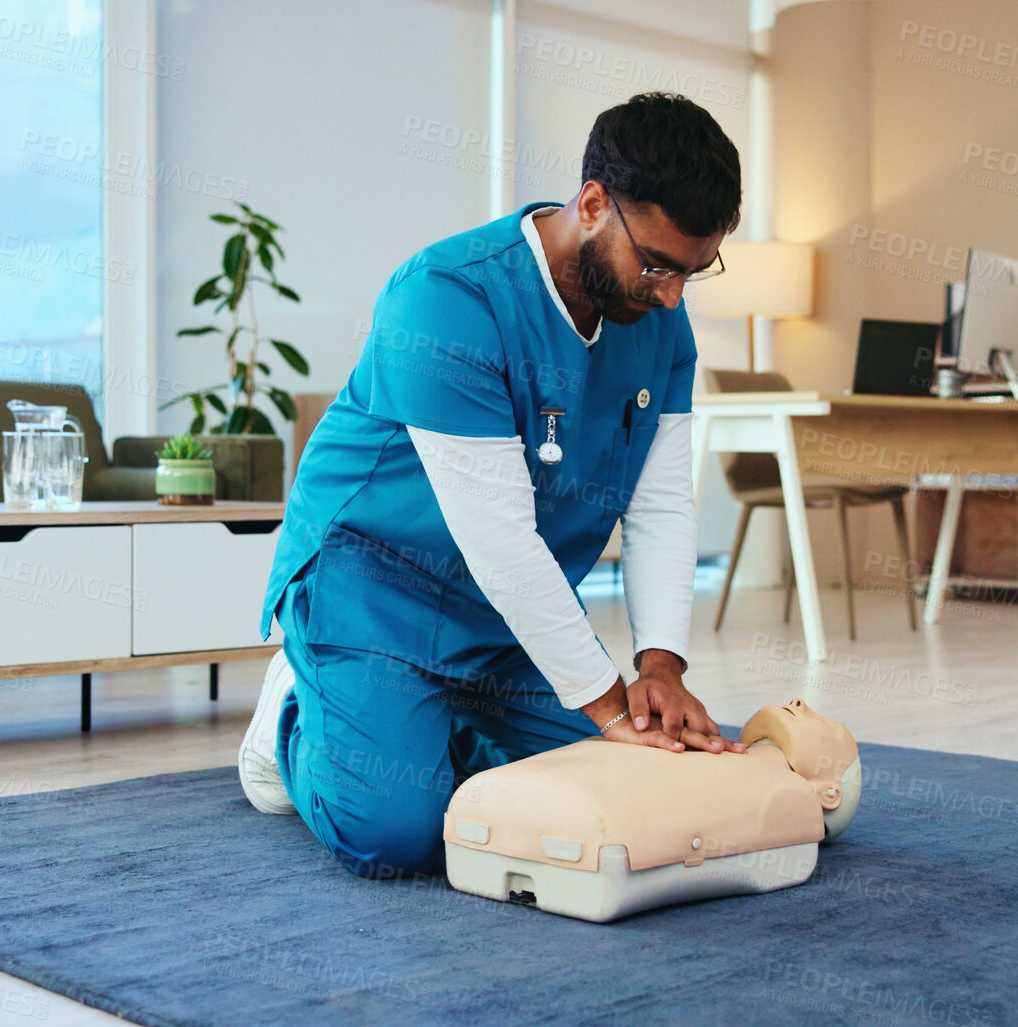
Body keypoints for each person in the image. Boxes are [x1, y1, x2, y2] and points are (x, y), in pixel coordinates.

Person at [240, 92, 745, 879]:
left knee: (639, 784)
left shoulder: (660, 325)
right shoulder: (447, 299)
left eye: (692, 269)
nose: (672, 296)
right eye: (655, 265)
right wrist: (608, 705)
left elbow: (660, 504)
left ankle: (430, 733)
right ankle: (291, 719)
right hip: (372, 586)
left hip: (505, 617)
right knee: (394, 834)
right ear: (590, 204)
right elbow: (499, 536)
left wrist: (658, 670)